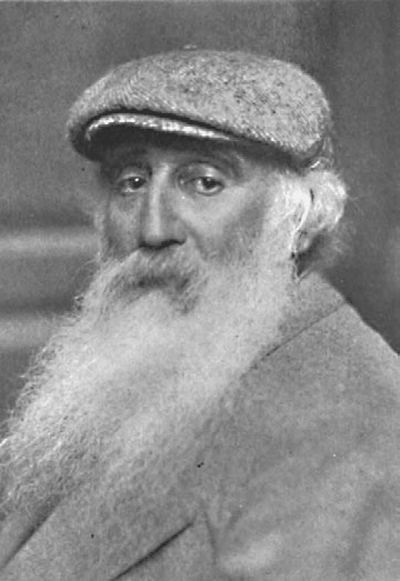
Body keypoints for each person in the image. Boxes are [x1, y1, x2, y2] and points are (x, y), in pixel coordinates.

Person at [0, 49, 399, 581]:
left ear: (301, 221)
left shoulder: (351, 425)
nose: (153, 229)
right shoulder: (142, 377)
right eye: (132, 182)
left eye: (204, 182)